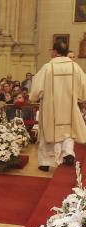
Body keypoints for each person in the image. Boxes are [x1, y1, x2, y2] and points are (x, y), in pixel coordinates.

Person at [31, 41, 86, 170]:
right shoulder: (74, 67)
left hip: (50, 107)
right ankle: (68, 154)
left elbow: (37, 87)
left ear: (55, 52)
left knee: (48, 132)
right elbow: (83, 85)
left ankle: (46, 163)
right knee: (68, 131)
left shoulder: (48, 67)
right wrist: (80, 97)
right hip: (68, 106)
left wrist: (33, 97)